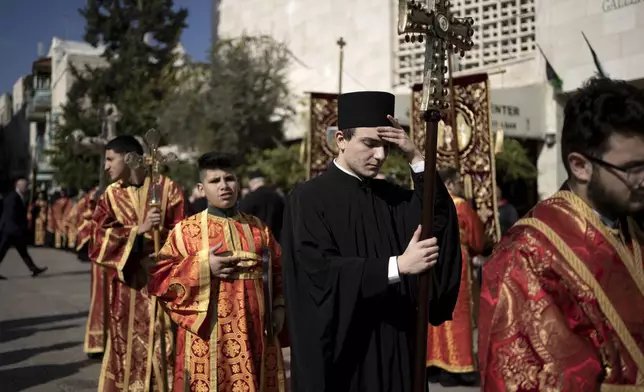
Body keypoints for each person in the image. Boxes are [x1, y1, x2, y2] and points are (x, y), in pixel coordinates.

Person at [282, 91, 462, 392]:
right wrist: (398, 266)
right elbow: (319, 273)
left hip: (397, 346)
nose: (380, 155)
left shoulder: (391, 198)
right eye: (369, 143)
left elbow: (437, 220)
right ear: (341, 139)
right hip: (346, 352)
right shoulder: (308, 199)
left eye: (386, 146)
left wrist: (415, 157)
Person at [478, 78, 644, 390]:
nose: (643, 180)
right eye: (633, 168)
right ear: (580, 166)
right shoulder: (524, 254)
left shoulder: (632, 225)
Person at [148, 152, 287, 392]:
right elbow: (161, 281)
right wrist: (203, 267)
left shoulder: (258, 228)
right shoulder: (185, 232)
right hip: (209, 335)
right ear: (201, 189)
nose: (224, 186)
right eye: (215, 181)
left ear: (238, 182)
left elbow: (278, 270)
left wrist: (279, 306)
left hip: (256, 331)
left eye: (229, 179)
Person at [89, 135, 185, 392]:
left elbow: (185, 236)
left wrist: (163, 240)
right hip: (128, 290)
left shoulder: (167, 189)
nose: (106, 166)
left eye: (110, 159)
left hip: (162, 288)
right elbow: (96, 238)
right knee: (127, 351)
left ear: (130, 158)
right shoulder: (110, 195)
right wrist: (137, 231)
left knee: (164, 348)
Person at [426, 167, 485, 387]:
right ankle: (460, 366)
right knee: (458, 313)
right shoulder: (460, 205)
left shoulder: (427, 204)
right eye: (457, 181)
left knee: (434, 312)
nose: (460, 185)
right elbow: (477, 239)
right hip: (456, 263)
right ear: (449, 184)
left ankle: (434, 364)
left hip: (432, 261)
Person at [0, 177, 48, 279]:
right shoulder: (14, 197)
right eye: (26, 186)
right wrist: (23, 221)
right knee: (2, 251)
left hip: (11, 229)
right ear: (19, 186)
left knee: (22, 251)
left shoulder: (17, 196)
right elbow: (12, 214)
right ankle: (33, 268)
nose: (27, 188)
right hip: (10, 230)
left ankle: (33, 268)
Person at [239, 170, 285, 241]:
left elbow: (241, 217)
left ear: (252, 183)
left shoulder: (250, 198)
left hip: (257, 241)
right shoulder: (277, 197)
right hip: (277, 240)